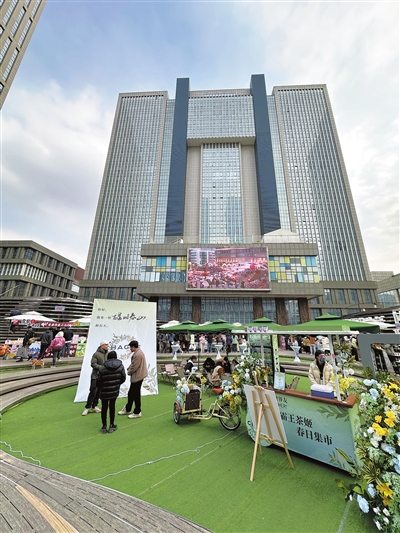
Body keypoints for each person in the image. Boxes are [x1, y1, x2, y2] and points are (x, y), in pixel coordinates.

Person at [96, 350, 126, 434]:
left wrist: (101, 387)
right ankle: (112, 424)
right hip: (114, 390)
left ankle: (104, 426)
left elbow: (98, 380)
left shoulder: (102, 367)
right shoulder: (120, 366)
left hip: (104, 390)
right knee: (112, 406)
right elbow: (123, 378)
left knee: (104, 407)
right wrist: (117, 384)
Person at [118, 340, 148, 419]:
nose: (130, 349)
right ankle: (128, 408)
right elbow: (133, 364)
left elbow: (134, 366)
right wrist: (129, 369)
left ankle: (137, 411)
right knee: (131, 393)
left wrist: (129, 371)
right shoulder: (138, 353)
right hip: (138, 376)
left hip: (138, 377)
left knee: (135, 394)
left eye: (130, 347)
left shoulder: (138, 354)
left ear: (133, 347)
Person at [82, 340, 109, 416]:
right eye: (106, 345)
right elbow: (93, 364)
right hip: (95, 376)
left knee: (99, 392)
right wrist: (102, 367)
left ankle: (94, 406)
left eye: (107, 345)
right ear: (102, 346)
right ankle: (87, 407)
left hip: (103, 376)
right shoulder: (96, 354)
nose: (107, 346)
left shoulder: (108, 354)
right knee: (93, 391)